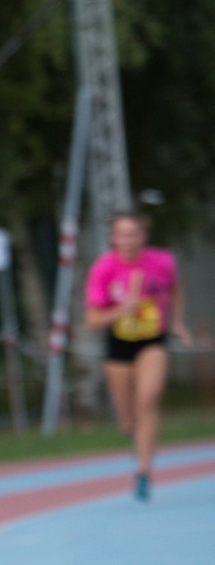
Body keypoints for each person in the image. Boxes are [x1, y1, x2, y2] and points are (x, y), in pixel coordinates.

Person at [84, 210, 191, 500]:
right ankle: (135, 437)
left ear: (143, 236)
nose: (128, 240)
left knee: (147, 400)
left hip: (152, 341)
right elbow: (92, 320)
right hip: (119, 345)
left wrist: (177, 323)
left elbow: (176, 289)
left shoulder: (161, 262)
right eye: (122, 234)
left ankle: (144, 471)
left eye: (133, 234)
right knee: (127, 420)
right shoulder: (104, 268)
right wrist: (122, 310)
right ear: (113, 238)